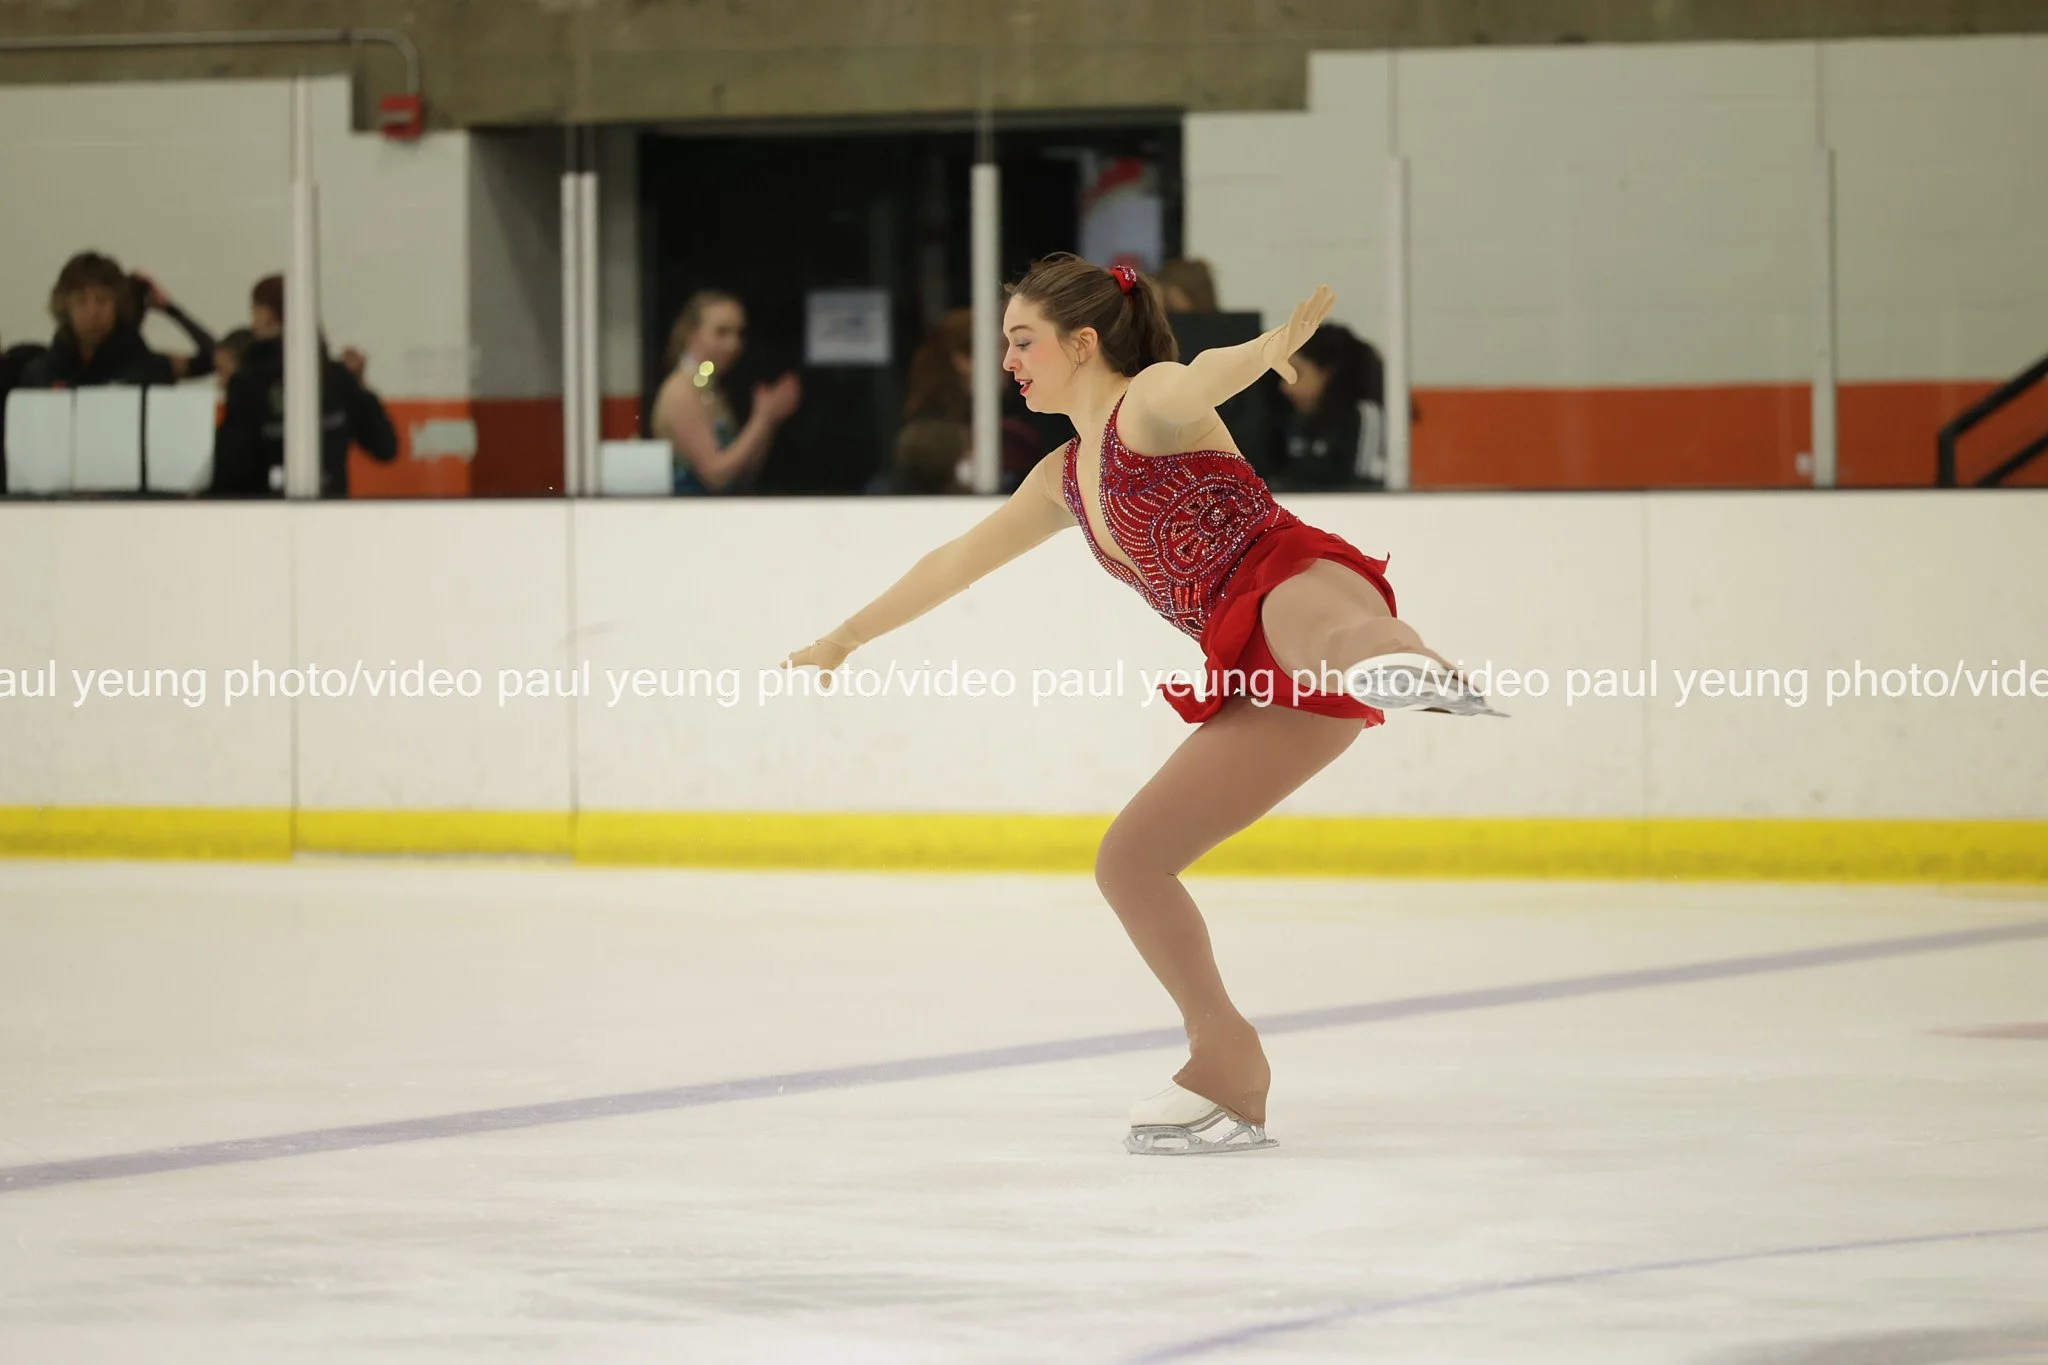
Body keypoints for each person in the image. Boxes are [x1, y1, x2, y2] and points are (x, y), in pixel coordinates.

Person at [781, 253, 1499, 1157]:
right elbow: (955, 561)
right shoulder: (1062, 475)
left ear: (1083, 343)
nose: (1008, 360)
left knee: (1325, 629)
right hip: (1253, 672)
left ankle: (1405, 664)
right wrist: (847, 635)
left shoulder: (1148, 402)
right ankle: (1226, 1059)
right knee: (1129, 862)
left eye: (1023, 341)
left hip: (1288, 579)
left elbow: (1202, 377)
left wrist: (1266, 349)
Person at [209, 274, 398, 498]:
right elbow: (385, 447)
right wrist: (360, 385)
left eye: (254, 310)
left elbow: (231, 470)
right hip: (331, 508)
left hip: (265, 510)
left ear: (266, 313)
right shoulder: (336, 377)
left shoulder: (249, 383)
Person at [652, 290, 800, 495]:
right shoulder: (680, 391)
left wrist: (768, 422)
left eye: (739, 334)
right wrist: (761, 420)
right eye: (721, 332)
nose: (733, 345)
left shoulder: (708, 388)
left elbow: (741, 475)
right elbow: (715, 475)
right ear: (691, 334)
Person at [18, 251, 176, 389]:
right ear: (65, 306)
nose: (93, 312)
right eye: (80, 301)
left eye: (102, 300)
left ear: (118, 304)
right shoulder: (41, 374)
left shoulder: (146, 369)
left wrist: (170, 309)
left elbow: (195, 363)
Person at [1269, 323, 1386, 491]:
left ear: (1327, 374)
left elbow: (1364, 490)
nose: (1285, 387)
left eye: (1296, 374)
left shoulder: (1366, 416)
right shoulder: (1295, 421)